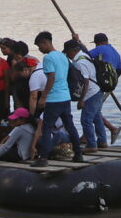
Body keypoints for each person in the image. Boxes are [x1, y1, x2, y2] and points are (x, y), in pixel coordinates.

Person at [30, 31, 83, 167]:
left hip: (54, 98)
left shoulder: (48, 58)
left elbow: (51, 77)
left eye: (39, 46)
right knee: (70, 126)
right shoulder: (63, 56)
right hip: (65, 97)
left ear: (45, 42)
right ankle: (78, 154)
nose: (40, 49)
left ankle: (43, 158)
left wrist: (44, 96)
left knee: (46, 128)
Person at [64, 40, 108, 152]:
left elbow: (85, 81)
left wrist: (81, 100)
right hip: (97, 91)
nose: (67, 55)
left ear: (73, 51)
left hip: (91, 93)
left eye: (67, 52)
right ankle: (102, 142)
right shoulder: (84, 55)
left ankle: (92, 145)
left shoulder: (80, 62)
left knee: (86, 120)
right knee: (97, 118)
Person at [87, 33, 121, 143]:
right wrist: (110, 83)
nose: (96, 46)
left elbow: (84, 55)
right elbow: (120, 70)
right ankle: (110, 130)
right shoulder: (116, 52)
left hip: (99, 84)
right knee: (95, 110)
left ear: (100, 42)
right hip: (109, 84)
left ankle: (90, 137)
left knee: (90, 110)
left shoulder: (100, 48)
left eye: (96, 44)